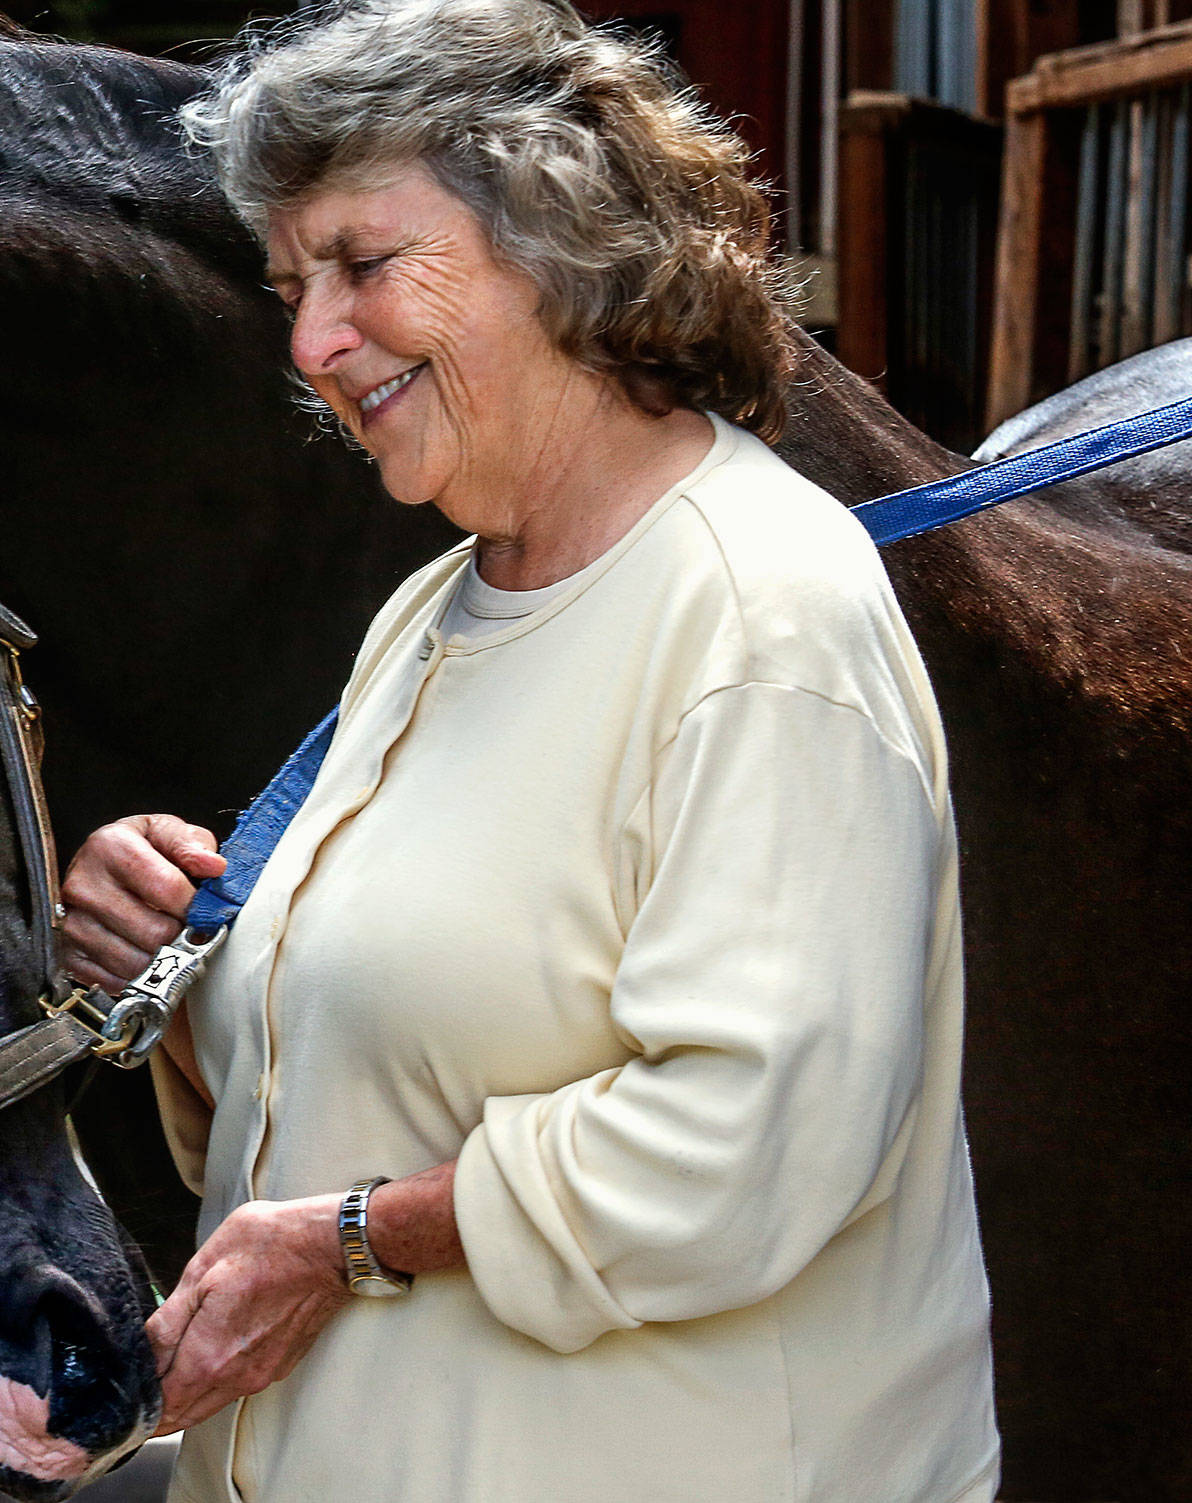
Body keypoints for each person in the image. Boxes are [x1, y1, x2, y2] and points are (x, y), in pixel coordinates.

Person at [56, 1, 1000, 1499]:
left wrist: (349, 1241)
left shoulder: (763, 610)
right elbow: (359, 1066)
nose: (309, 339)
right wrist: (178, 968)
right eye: (293, 285)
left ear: (561, 238)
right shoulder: (435, 612)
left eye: (364, 264)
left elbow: (745, 1155)